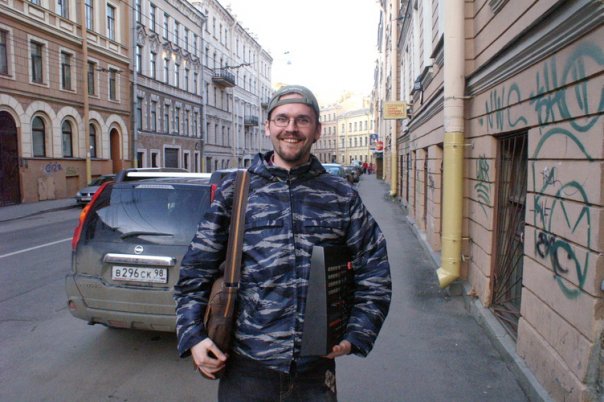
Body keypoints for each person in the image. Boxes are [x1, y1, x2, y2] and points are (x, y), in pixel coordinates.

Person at [174, 85, 391, 401]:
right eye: (282, 119)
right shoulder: (237, 192)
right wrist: (193, 335)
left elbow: (375, 271)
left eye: (302, 120)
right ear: (268, 127)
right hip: (246, 368)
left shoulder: (340, 196)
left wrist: (357, 333)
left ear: (317, 130)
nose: (291, 128)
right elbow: (195, 273)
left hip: (315, 373)